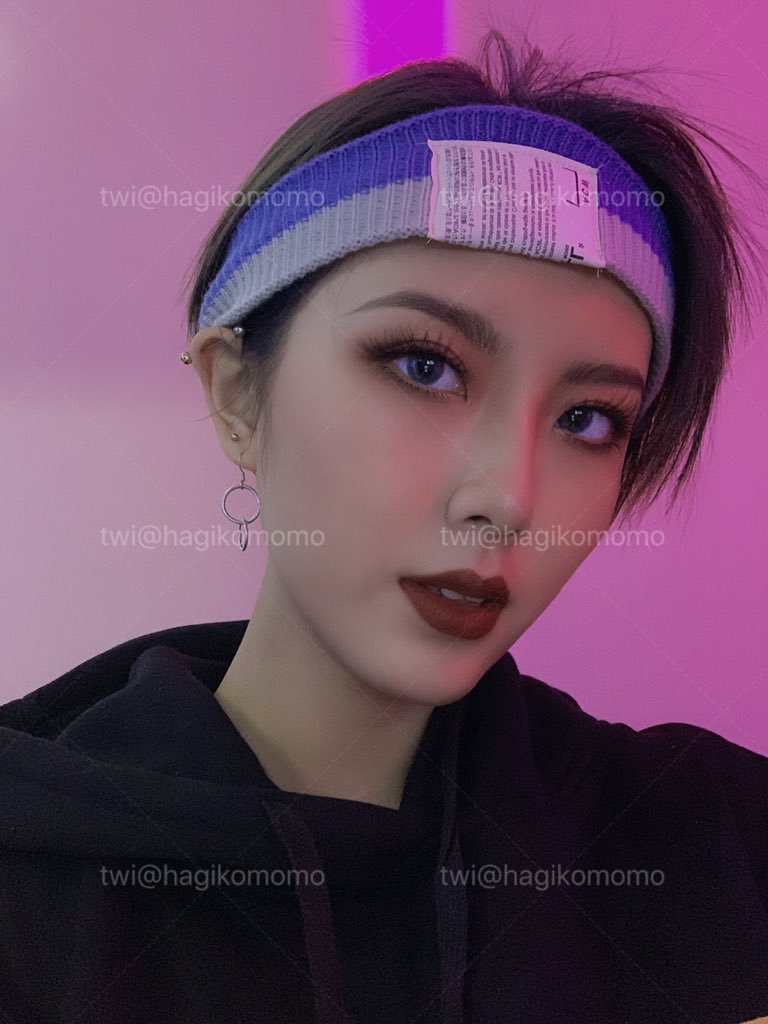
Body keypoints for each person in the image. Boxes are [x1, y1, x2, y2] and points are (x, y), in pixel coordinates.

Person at [0, 28, 766, 1024]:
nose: (509, 497)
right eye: (424, 366)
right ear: (237, 392)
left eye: (588, 419)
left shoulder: (723, 845)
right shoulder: (29, 893)